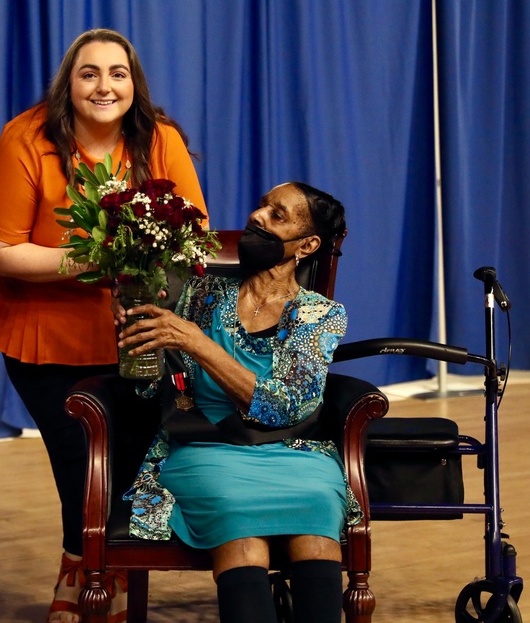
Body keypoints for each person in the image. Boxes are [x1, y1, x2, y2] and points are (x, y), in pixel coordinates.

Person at [0, 28, 209, 623]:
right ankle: (82, 561)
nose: (104, 86)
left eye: (117, 73)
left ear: (134, 83)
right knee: (78, 461)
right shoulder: (26, 138)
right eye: (89, 73)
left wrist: (147, 269)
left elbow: (192, 234)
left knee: (127, 458)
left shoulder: (161, 139)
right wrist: (102, 260)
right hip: (42, 332)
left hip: (139, 332)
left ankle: (104, 565)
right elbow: (3, 251)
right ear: (68, 83)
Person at [116, 182, 356, 623]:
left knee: (318, 500)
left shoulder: (319, 313)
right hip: (207, 449)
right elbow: (153, 390)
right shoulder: (201, 295)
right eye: (261, 206)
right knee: (233, 504)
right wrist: (138, 337)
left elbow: (286, 407)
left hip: (294, 452)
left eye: (277, 215)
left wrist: (198, 344)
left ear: (307, 244)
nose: (258, 217)